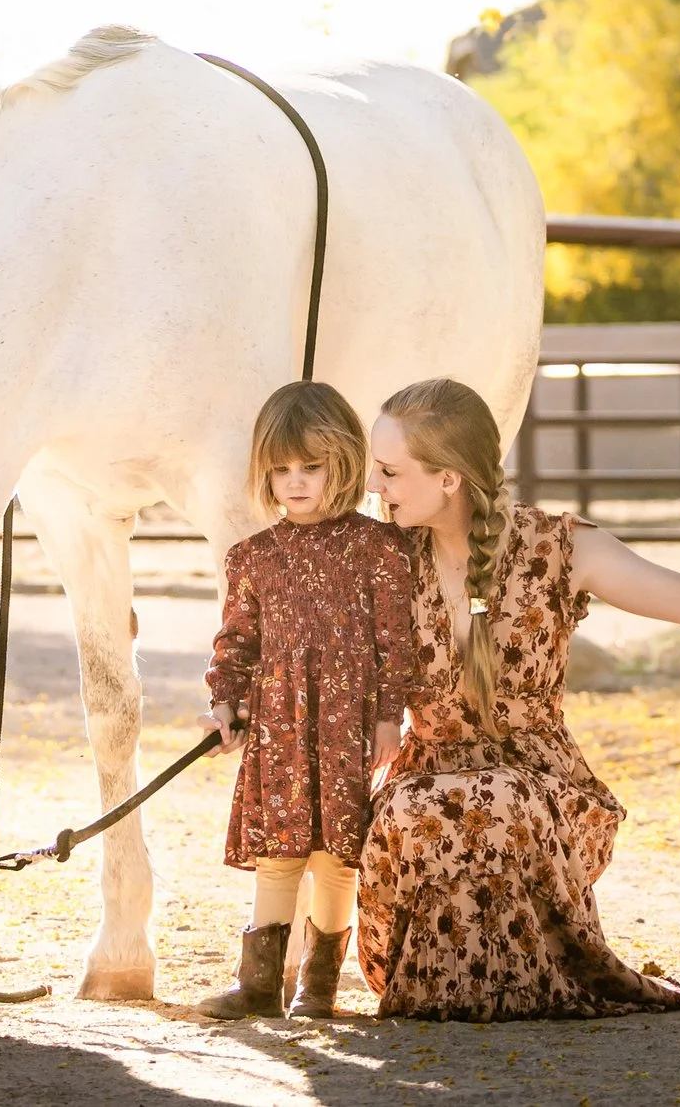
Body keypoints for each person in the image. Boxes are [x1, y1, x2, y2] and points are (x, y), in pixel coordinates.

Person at [357, 376, 680, 1021]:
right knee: (418, 805)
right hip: (426, 772)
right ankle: (454, 992)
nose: (374, 488)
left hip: (541, 782)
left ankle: (500, 992)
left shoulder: (561, 546)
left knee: (498, 801)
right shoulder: (377, 556)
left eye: (387, 471)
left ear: (449, 478)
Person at [196, 380, 415, 1020]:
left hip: (350, 726)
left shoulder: (380, 549)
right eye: (281, 469)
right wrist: (224, 704)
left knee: (336, 855)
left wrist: (386, 718)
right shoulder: (253, 558)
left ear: (342, 463)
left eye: (311, 468)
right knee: (280, 851)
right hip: (280, 728)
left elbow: (394, 642)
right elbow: (234, 644)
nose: (295, 482)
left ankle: (318, 989)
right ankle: (258, 987)